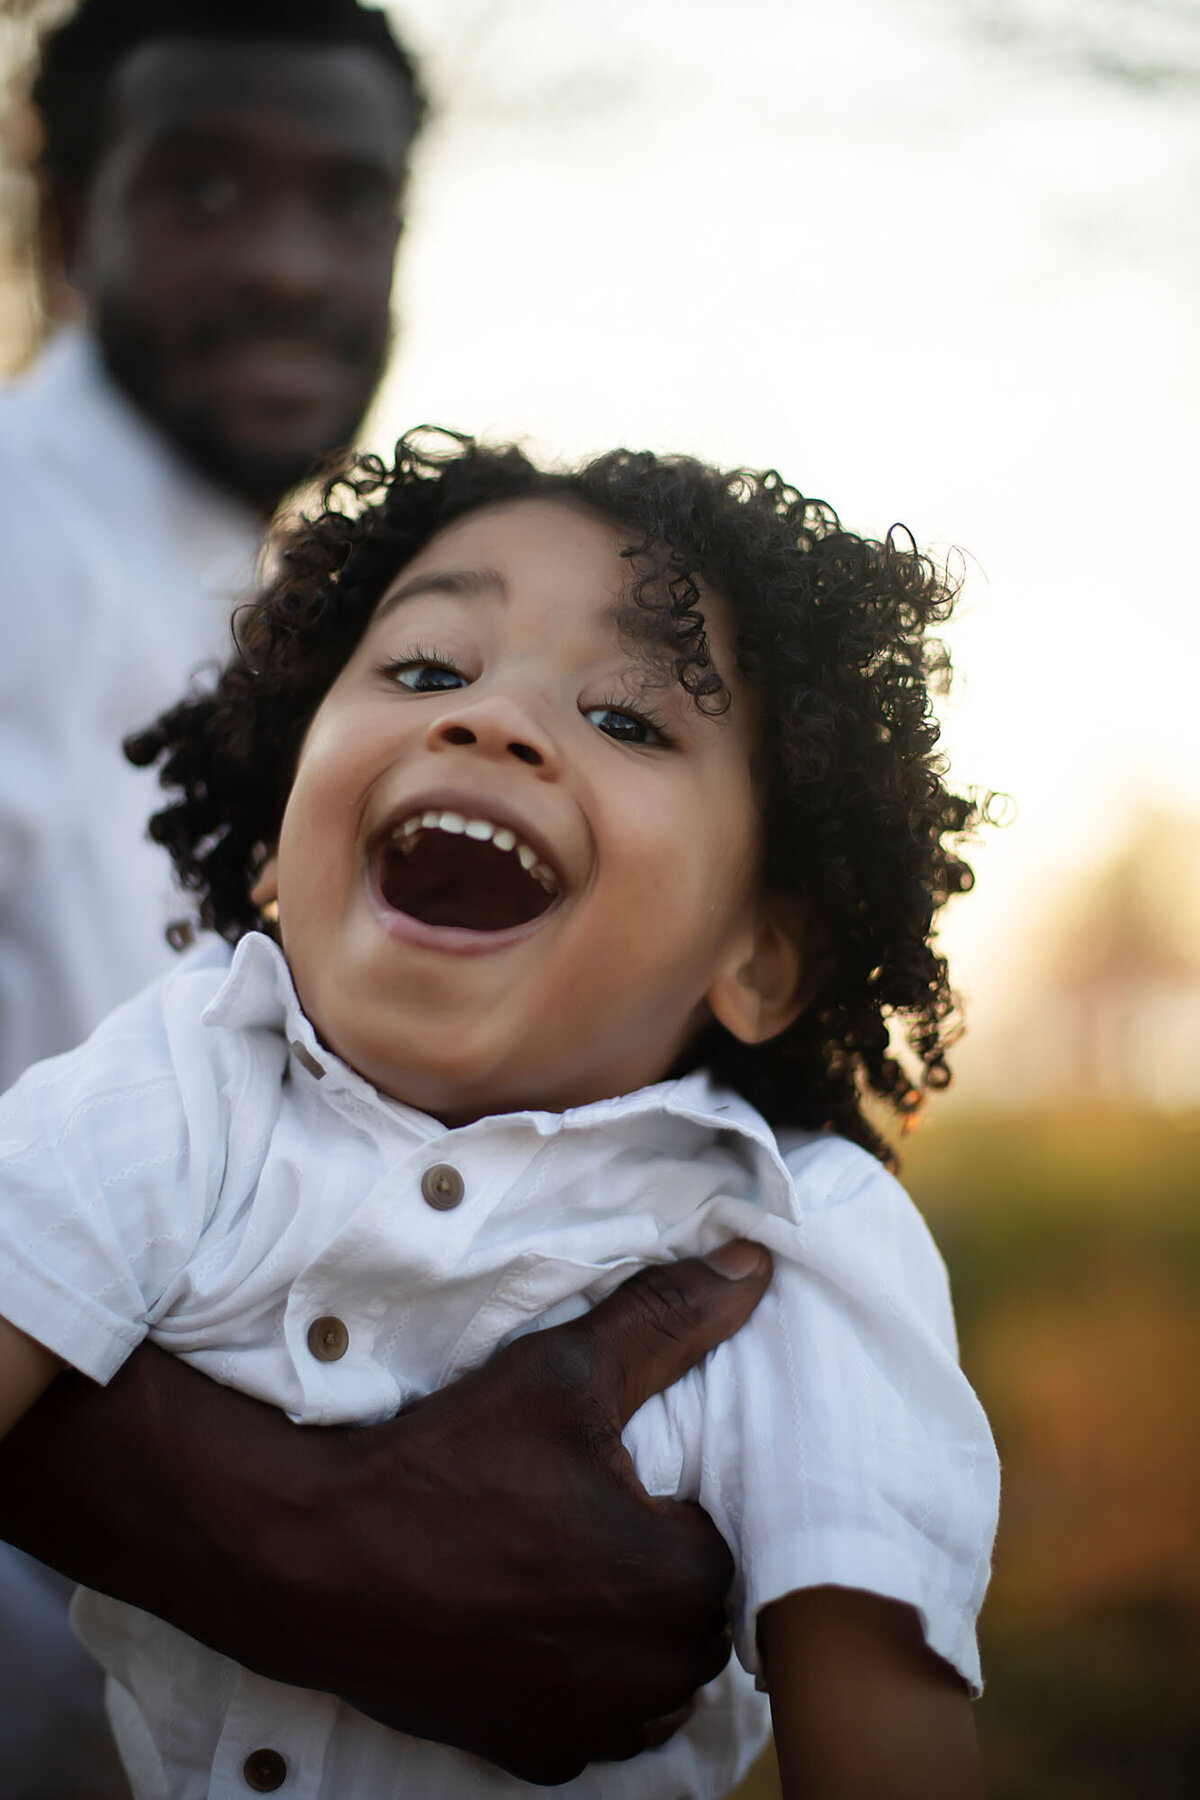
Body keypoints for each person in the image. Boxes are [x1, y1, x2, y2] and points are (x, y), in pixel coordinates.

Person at [0, 430, 999, 1797]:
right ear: (282, 830)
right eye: (424, 669)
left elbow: (888, 1740)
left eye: (631, 718)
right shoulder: (181, 1080)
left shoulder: (798, 1241)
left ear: (759, 956)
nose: (489, 720)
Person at [0, 4, 756, 1790]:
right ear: (60, 231)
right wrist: (293, 1534)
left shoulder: (269, 626)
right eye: (200, 188)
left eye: (351, 205)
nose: (286, 265)